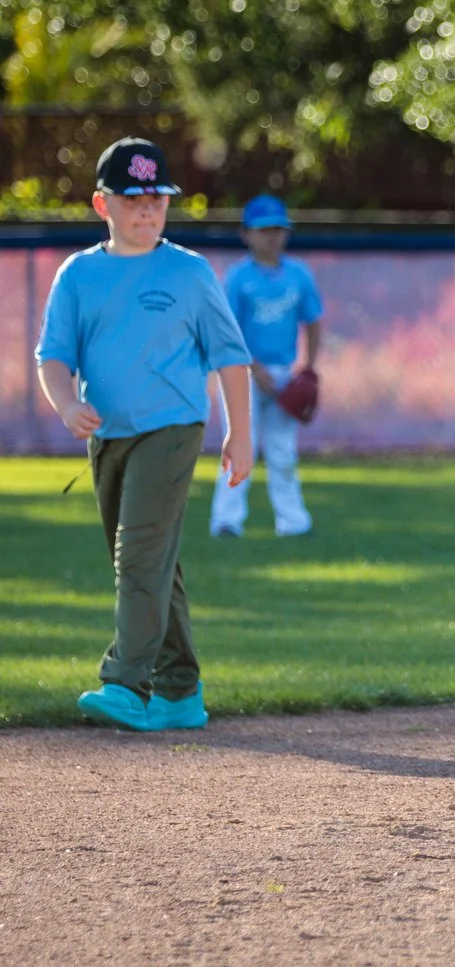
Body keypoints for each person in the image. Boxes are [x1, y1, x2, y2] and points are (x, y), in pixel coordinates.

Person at [35, 136, 253, 732]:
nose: (148, 209)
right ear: (103, 205)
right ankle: (180, 691)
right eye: (133, 199)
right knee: (151, 563)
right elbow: (53, 357)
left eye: (157, 198)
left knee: (137, 556)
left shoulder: (188, 272)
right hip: (107, 438)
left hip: (173, 428)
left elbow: (231, 358)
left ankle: (125, 683)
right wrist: (63, 405)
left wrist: (241, 435)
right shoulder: (78, 275)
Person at [208, 193, 322, 538]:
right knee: (240, 445)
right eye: (263, 229)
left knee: (283, 451)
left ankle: (293, 523)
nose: (271, 236)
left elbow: (313, 321)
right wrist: (253, 369)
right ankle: (226, 520)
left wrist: (308, 368)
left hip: (284, 373)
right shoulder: (238, 277)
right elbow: (228, 329)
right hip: (241, 373)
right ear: (246, 234)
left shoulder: (298, 274)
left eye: (277, 229)